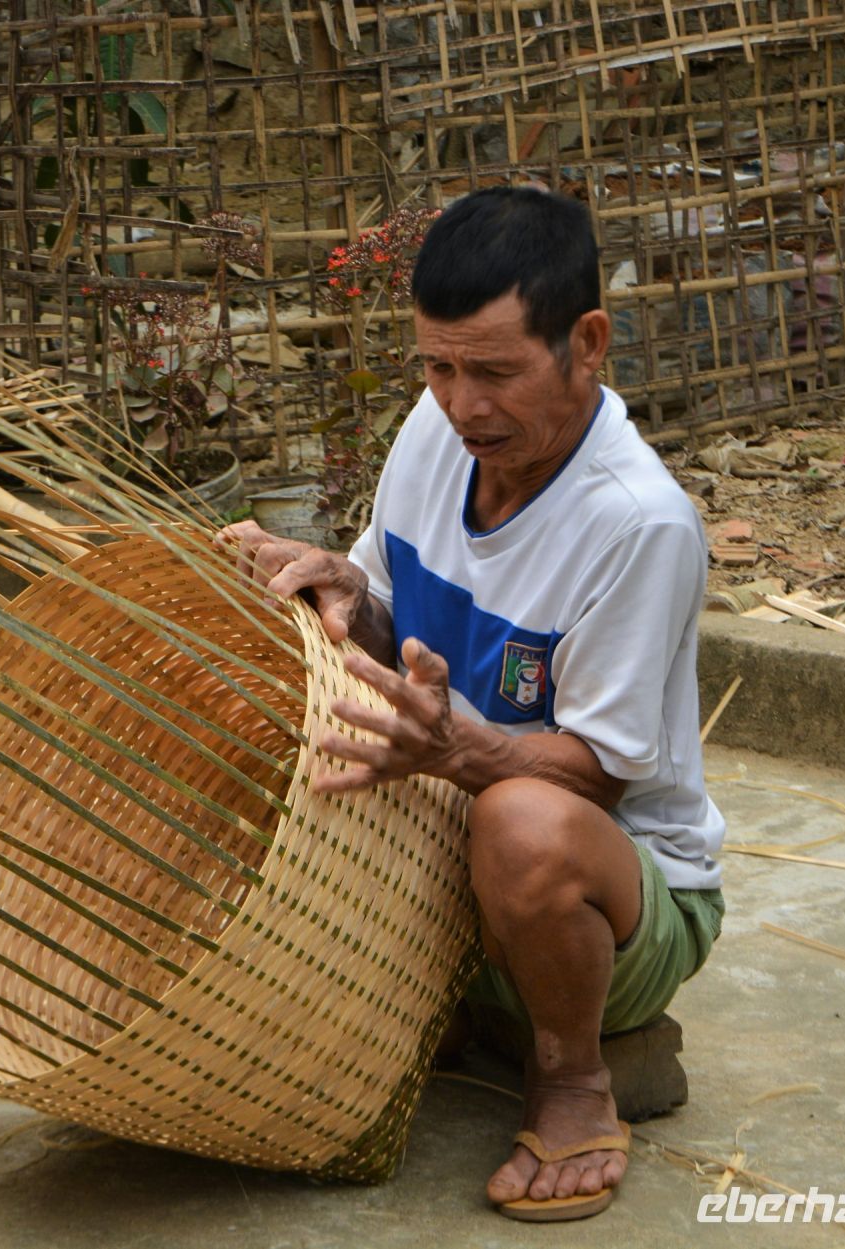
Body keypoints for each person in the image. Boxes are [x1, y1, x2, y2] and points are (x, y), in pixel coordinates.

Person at [217, 186, 725, 1223]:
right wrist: (336, 593)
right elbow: (385, 619)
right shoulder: (438, 425)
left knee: (521, 818)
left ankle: (574, 1076)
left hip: (616, 900)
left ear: (586, 343)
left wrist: (459, 749)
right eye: (438, 367)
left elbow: (599, 770)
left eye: (493, 371)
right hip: (441, 859)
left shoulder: (637, 524)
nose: (461, 405)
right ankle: (440, 1001)